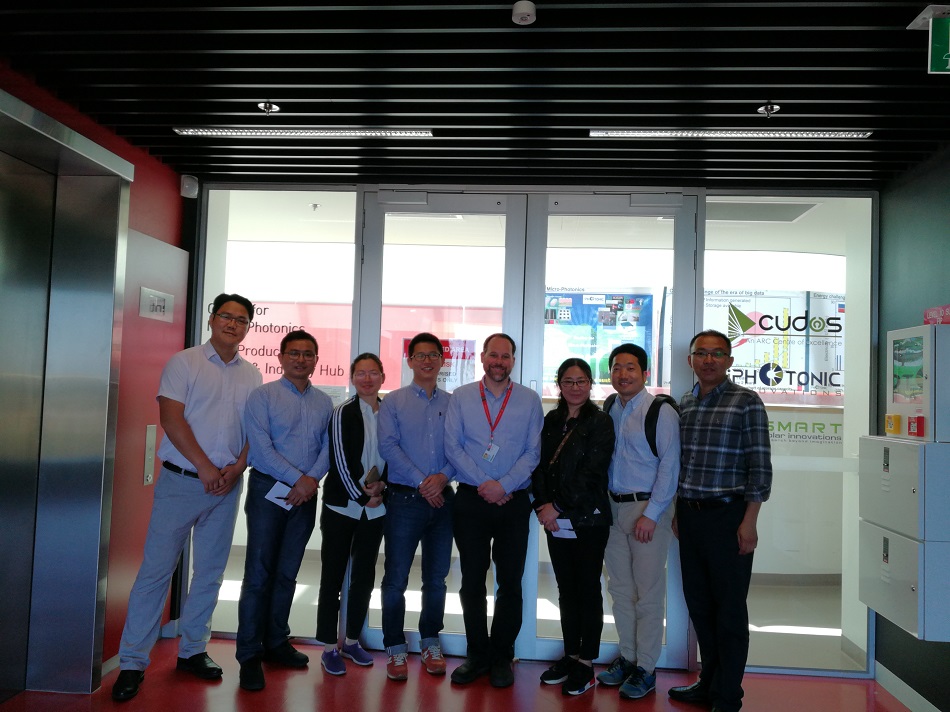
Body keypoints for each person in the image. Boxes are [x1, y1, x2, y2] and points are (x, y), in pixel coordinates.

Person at [112, 293, 262, 702]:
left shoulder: (252, 376)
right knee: (155, 572)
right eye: (226, 316)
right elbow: (171, 418)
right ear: (212, 319)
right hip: (182, 482)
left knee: (210, 573)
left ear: (248, 328)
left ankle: (193, 650)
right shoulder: (185, 363)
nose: (233, 324)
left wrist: (239, 466)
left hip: (227, 486)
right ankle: (132, 663)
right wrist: (205, 467)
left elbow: (254, 430)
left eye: (241, 320)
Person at [668, 329, 772, 712]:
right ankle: (708, 682)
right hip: (690, 517)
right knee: (699, 605)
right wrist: (678, 510)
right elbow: (681, 463)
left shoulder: (746, 401)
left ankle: (728, 695)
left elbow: (760, 466)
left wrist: (750, 521)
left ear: (729, 361)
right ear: (690, 360)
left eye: (717, 354)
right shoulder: (685, 403)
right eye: (701, 353)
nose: (708, 360)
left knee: (729, 611)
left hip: (729, 518)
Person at [235, 329, 334, 691]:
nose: (300, 359)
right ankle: (249, 655)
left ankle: (276, 642)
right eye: (294, 353)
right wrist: (299, 479)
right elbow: (260, 448)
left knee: (287, 573)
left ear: (316, 360)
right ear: (280, 357)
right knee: (258, 574)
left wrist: (311, 480)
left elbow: (328, 447)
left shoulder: (324, 402)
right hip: (268, 490)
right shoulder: (262, 396)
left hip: (304, 496)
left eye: (308, 354)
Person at [445, 333, 543, 689]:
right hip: (471, 500)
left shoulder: (529, 400)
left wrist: (504, 485)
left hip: (513, 502)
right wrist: (486, 484)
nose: (499, 362)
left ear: (513, 360)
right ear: (483, 358)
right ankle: (477, 654)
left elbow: (533, 452)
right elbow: (453, 447)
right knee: (472, 581)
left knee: (510, 583)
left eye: (506, 356)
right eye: (493, 355)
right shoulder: (461, 397)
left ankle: (502, 655)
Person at [596, 343, 680, 700]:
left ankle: (646, 666)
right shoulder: (610, 408)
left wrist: (652, 514)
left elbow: (670, 466)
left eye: (630, 367)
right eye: (617, 367)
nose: (623, 374)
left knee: (648, 593)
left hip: (647, 509)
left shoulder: (660, 410)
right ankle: (628, 657)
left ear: (645, 373)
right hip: (613, 509)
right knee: (620, 589)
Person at [532, 358, 614, 696]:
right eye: (568, 381)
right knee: (566, 589)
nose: (575, 387)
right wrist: (543, 506)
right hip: (555, 519)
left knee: (587, 588)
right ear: (559, 385)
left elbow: (593, 472)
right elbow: (537, 465)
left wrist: (558, 506)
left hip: (589, 520)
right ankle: (571, 654)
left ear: (590, 384)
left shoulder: (600, 421)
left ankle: (587, 661)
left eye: (581, 381)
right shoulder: (551, 420)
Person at [377, 333, 456, 681]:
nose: (427, 361)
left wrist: (442, 478)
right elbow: (388, 447)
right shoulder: (393, 401)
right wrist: (425, 483)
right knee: (396, 578)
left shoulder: (453, 403)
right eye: (420, 355)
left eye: (433, 355)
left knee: (436, 579)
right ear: (409, 360)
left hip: (443, 500)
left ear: (442, 361)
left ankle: (429, 641)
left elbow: (460, 448)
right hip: (404, 500)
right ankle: (395, 646)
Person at [315, 353, 388, 675]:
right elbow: (340, 461)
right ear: (352, 377)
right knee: (332, 577)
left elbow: (394, 455)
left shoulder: (389, 413)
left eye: (373, 373)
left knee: (363, 577)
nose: (367, 379)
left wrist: (382, 489)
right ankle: (328, 646)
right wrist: (362, 497)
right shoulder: (342, 412)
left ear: (383, 377)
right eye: (361, 373)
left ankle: (353, 640)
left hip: (376, 507)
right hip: (342, 507)